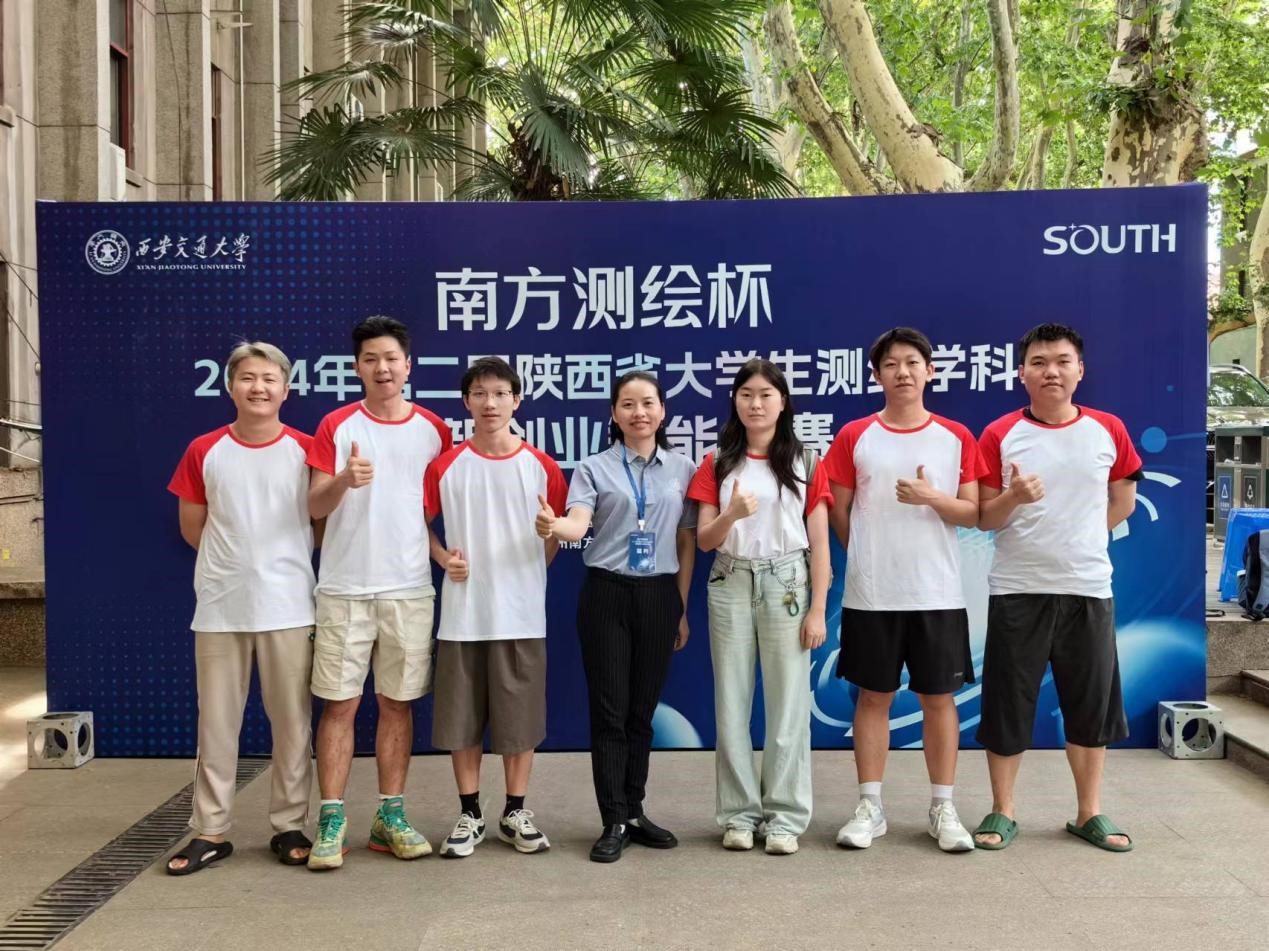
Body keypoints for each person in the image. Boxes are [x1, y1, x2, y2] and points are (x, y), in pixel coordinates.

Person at [972, 323, 1140, 853]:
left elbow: (1123, 502)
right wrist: (1015, 498)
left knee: (1090, 705)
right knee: (1008, 703)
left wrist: (1081, 537)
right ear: (1021, 373)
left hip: (1088, 587)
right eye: (1039, 362)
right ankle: (1003, 809)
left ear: (1080, 370)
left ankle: (1089, 811)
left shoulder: (1108, 429)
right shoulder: (999, 433)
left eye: (1062, 361)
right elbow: (984, 517)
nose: (1051, 371)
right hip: (1017, 589)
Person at [823, 327, 986, 853]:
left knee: (938, 698)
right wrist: (867, 557)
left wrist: (930, 498)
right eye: (891, 364)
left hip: (937, 593)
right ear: (876, 375)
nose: (903, 372)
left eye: (913, 362)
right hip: (872, 595)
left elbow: (974, 513)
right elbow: (839, 511)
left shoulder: (956, 436)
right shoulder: (855, 435)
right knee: (873, 697)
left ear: (930, 370)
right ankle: (870, 807)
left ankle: (943, 807)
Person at [305, 316, 452, 871]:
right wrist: (344, 480)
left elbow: (429, 512)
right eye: (371, 359)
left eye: (391, 358)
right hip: (344, 587)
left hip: (409, 588)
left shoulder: (434, 430)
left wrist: (441, 557)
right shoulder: (336, 425)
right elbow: (313, 506)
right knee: (339, 705)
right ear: (357, 367)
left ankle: (391, 816)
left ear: (408, 365)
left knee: (397, 704)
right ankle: (331, 819)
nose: (382, 368)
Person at [165, 341, 316, 874]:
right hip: (221, 608)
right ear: (230, 386)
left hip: (289, 607)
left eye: (270, 379)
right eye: (248, 378)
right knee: (217, 724)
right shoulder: (204, 449)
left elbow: (320, 524)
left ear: (286, 389)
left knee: (293, 723)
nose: (259, 388)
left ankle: (290, 825)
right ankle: (210, 830)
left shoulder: (306, 450)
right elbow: (192, 527)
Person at [536, 370, 698, 863]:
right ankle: (613, 820)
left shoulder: (683, 468)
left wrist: (680, 607)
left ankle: (635, 810)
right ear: (613, 413)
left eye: (648, 403)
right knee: (609, 712)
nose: (638, 412)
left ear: (662, 410)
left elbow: (686, 542)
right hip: (606, 593)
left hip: (659, 595)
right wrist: (555, 525)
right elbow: (577, 523)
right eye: (628, 404)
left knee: (641, 714)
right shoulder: (593, 468)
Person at [687, 358, 832, 856]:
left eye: (766, 394)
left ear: (783, 402)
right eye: (746, 394)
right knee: (731, 703)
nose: (755, 403)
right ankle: (738, 815)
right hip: (730, 579)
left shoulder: (806, 461)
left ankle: (785, 817)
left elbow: (821, 545)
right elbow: (705, 540)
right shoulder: (716, 462)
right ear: (735, 401)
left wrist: (818, 610)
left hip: (788, 581)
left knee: (788, 705)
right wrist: (731, 513)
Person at [424, 357, 567, 858]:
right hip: (463, 615)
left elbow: (555, 533)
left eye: (501, 393)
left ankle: (515, 811)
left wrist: (529, 569)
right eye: (480, 394)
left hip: (521, 614)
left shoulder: (541, 466)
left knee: (519, 720)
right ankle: (469, 814)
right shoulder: (445, 466)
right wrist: (443, 558)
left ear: (516, 400)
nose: (490, 403)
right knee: (461, 720)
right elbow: (418, 523)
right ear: (467, 402)